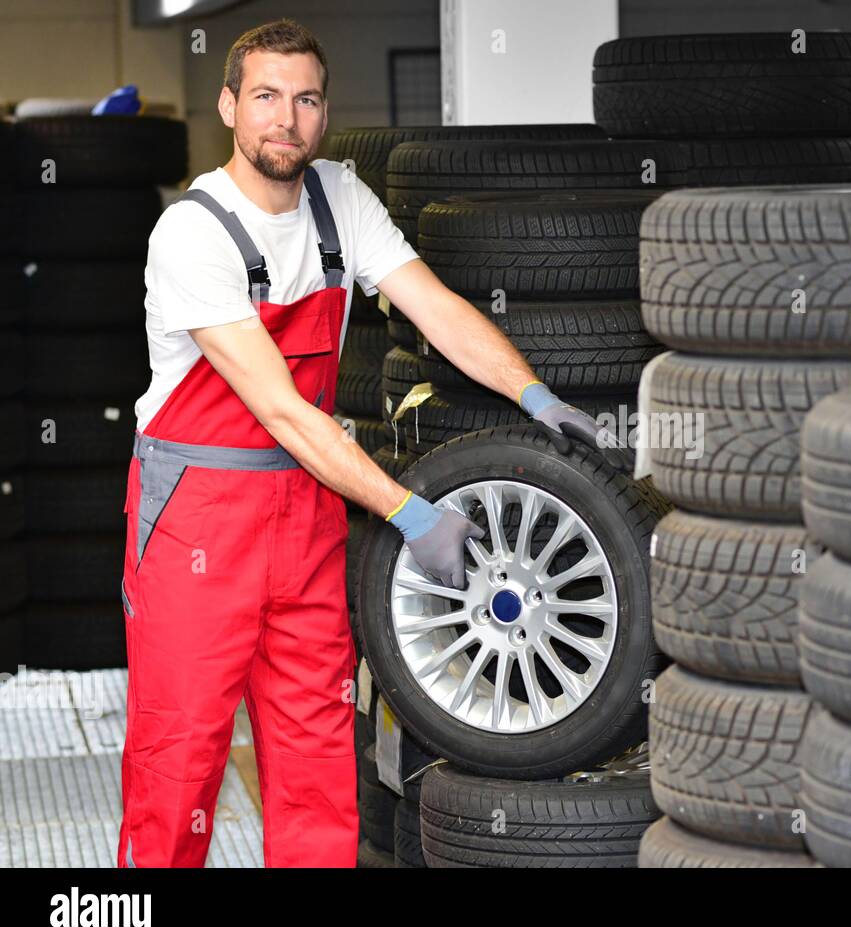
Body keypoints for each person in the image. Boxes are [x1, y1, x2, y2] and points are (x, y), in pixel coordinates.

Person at [117, 18, 627, 868]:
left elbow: (435, 310)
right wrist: (410, 512)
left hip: (310, 511)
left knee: (317, 753)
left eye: (307, 99)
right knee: (180, 759)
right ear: (229, 105)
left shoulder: (340, 199)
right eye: (267, 97)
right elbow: (279, 411)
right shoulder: (193, 232)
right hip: (199, 522)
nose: (287, 119)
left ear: (324, 112)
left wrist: (535, 392)